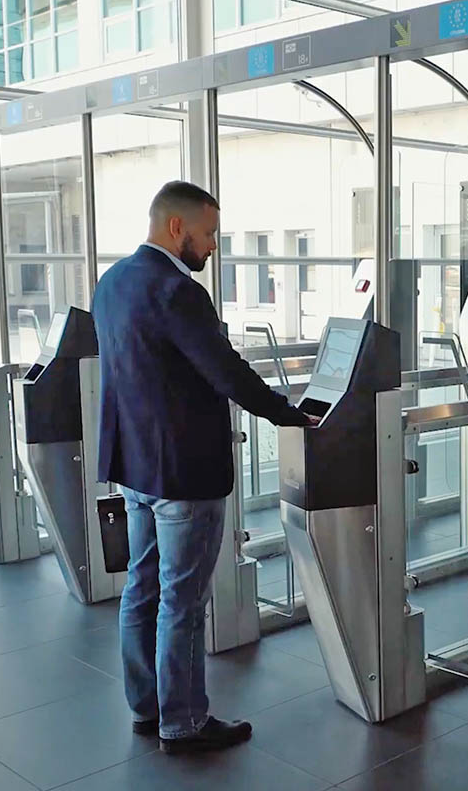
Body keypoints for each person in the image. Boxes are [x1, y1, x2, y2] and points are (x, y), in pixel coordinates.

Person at [92, 181, 313, 755]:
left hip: (134, 466)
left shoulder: (112, 283)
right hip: (184, 476)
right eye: (209, 233)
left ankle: (148, 708)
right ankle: (184, 721)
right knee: (182, 601)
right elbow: (226, 371)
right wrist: (289, 416)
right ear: (175, 228)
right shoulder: (177, 291)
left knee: (141, 590)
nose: (213, 245)